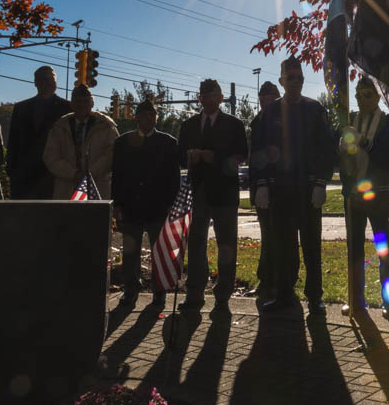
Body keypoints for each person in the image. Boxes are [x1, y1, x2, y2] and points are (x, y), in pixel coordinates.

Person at [251, 57, 335, 316]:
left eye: (299, 77)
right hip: (280, 190)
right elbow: (259, 150)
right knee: (282, 247)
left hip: (308, 190)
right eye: (290, 78)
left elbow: (327, 151)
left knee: (311, 247)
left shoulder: (315, 109)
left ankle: (315, 298)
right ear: (282, 81)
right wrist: (261, 185)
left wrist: (322, 182)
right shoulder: (269, 113)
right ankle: (284, 295)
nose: (295, 82)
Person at [178, 79, 248, 316]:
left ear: (220, 99)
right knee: (196, 245)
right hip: (197, 193)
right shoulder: (188, 125)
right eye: (203, 96)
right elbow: (178, 156)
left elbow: (242, 156)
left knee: (226, 245)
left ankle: (222, 298)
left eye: (212, 95)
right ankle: (195, 293)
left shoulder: (234, 124)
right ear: (199, 99)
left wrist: (214, 157)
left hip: (225, 194)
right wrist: (189, 155)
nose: (207, 99)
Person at [112, 100, 181, 309]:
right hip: (131, 207)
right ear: (136, 118)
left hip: (158, 207)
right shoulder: (123, 143)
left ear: (156, 118)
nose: (147, 119)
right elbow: (118, 176)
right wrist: (117, 204)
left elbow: (174, 178)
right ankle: (130, 291)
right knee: (130, 254)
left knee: (158, 253)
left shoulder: (168, 143)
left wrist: (171, 204)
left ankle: (159, 293)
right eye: (143, 115)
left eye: (152, 115)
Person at [339, 76, 389, 316]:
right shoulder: (349, 121)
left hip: (377, 193)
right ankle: (356, 300)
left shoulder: (386, 123)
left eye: (367, 95)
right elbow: (340, 159)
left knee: (383, 247)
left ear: (377, 97)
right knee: (354, 248)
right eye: (358, 95)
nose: (362, 99)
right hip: (353, 193)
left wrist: (366, 143)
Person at [43, 84, 118, 199]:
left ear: (92, 103)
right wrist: (73, 174)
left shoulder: (106, 126)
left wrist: (89, 175)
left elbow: (112, 155)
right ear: (71, 104)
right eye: (78, 101)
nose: (81, 105)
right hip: (65, 190)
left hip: (97, 190)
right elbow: (51, 157)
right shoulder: (59, 127)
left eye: (85, 101)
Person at [7, 66, 72, 199]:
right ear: (35, 82)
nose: (48, 82)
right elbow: (13, 141)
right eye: (43, 79)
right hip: (24, 176)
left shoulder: (67, 107)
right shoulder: (21, 108)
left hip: (55, 175)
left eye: (51, 79)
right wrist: (11, 171)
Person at [247, 81, 281, 300]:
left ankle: (280, 281)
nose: (265, 101)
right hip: (262, 186)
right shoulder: (257, 122)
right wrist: (259, 186)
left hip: (281, 186)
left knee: (281, 237)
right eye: (262, 98)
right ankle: (266, 280)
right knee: (267, 235)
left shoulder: (284, 121)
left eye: (269, 97)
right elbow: (255, 157)